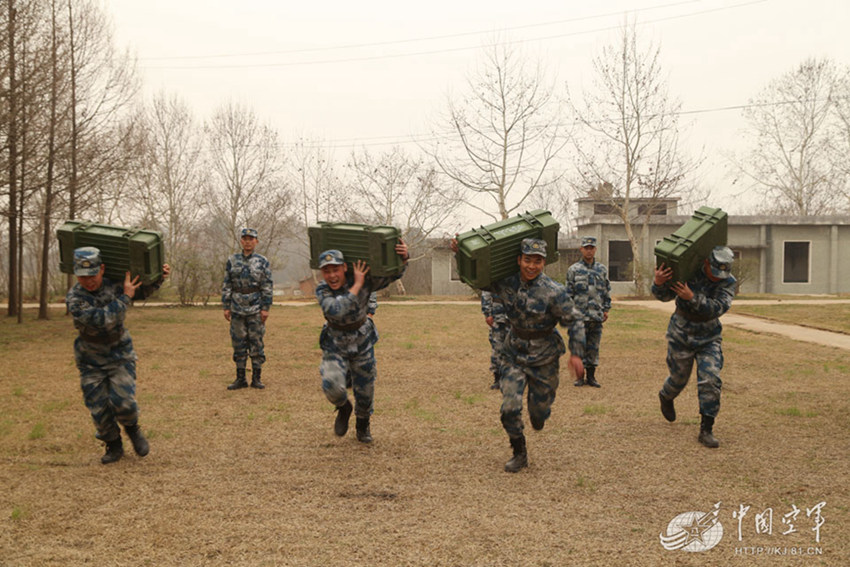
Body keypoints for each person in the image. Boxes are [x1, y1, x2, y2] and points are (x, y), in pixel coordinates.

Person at [453, 237, 585, 473]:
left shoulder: (554, 291)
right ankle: (519, 451)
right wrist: (459, 255)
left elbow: (575, 321)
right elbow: (472, 278)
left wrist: (576, 354)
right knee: (509, 407)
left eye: (537, 261)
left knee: (539, 412)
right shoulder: (506, 283)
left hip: (544, 357)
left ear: (544, 262)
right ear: (518, 260)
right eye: (527, 260)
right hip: (512, 353)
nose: (531, 266)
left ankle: (540, 413)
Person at [66, 246, 170, 464]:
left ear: (102, 269)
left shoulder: (115, 284)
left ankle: (132, 429)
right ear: (76, 274)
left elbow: (140, 290)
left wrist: (159, 277)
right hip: (90, 359)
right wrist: (125, 299)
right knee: (98, 407)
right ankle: (113, 445)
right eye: (83, 276)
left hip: (120, 353)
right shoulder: (75, 298)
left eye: (93, 275)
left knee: (123, 401)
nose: (89, 281)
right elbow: (102, 319)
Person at [316, 244, 409, 443]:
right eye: (326, 271)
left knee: (365, 389)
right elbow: (336, 310)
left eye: (335, 270)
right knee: (331, 385)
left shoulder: (364, 280)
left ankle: (362, 423)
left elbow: (392, 275)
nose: (332, 276)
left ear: (344, 268)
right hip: (335, 342)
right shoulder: (323, 290)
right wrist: (357, 285)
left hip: (362, 341)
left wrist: (404, 258)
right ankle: (343, 407)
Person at [653, 245, 736, 448]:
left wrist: (692, 298)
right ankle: (666, 396)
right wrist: (658, 283)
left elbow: (718, 308)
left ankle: (706, 428)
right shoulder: (688, 270)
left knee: (710, 378)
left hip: (709, 337)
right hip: (681, 334)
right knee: (678, 378)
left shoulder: (728, 282)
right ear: (706, 262)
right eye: (714, 272)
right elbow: (664, 297)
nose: (717, 277)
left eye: (721, 274)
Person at [222, 228, 273, 390]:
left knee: (256, 343)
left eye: (251, 239)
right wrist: (226, 305)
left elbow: (267, 285)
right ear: (241, 241)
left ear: (256, 241)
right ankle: (240, 378)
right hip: (237, 307)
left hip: (256, 307)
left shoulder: (262, 261)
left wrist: (265, 308)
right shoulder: (232, 260)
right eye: (245, 239)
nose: (248, 241)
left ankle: (257, 378)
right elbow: (227, 284)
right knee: (238, 343)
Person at [566, 236, 611, 388]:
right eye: (586, 248)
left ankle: (591, 377)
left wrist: (606, 309)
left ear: (595, 249)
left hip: (596, 315)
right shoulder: (573, 270)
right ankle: (580, 377)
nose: (589, 250)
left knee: (593, 347)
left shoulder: (602, 270)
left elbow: (606, 291)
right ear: (581, 249)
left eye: (591, 248)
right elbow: (569, 293)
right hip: (579, 316)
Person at [481, 290, 509, 390]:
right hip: (498, 316)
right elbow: (486, 291)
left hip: (516, 317)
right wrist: (487, 313)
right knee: (497, 347)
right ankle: (498, 377)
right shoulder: (493, 275)